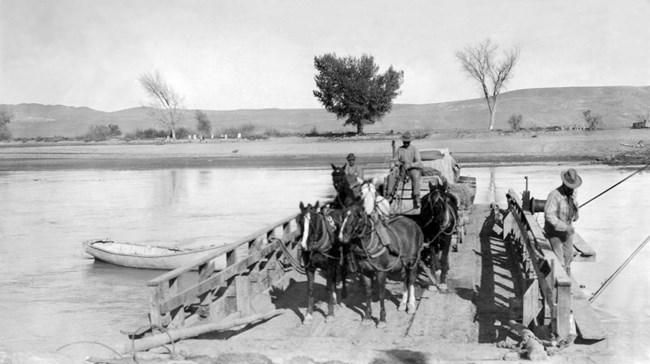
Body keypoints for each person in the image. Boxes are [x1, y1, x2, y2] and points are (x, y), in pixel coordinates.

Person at [544, 168, 582, 277]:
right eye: (569, 187)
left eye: (573, 187)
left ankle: (566, 279)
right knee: (559, 259)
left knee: (568, 256)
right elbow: (549, 215)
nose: (572, 189)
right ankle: (559, 282)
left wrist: (575, 214)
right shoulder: (554, 195)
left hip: (567, 232)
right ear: (564, 184)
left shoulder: (573, 193)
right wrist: (565, 227)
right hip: (554, 232)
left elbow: (574, 211)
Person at [392, 131, 423, 208]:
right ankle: (390, 194)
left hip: (412, 169)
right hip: (402, 168)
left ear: (410, 141)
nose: (406, 143)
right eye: (404, 142)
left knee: (415, 176)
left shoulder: (414, 149)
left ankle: (416, 196)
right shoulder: (399, 149)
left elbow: (418, 162)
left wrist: (410, 165)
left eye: (407, 142)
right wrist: (399, 164)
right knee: (392, 175)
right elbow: (395, 160)